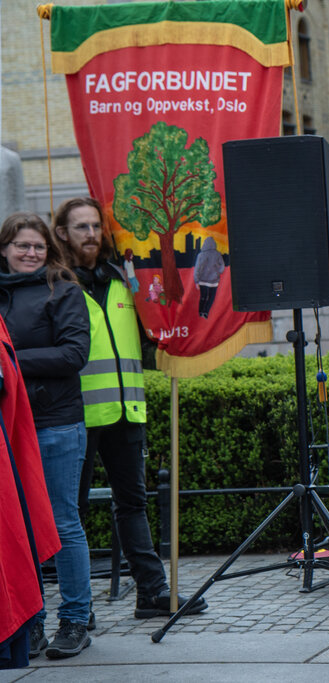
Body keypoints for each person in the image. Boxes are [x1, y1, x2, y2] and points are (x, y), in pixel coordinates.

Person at [52, 197, 207, 620]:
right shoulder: (56, 284)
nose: (90, 234)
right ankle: (79, 604)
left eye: (95, 226)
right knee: (73, 511)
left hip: (126, 410)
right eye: (80, 227)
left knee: (133, 504)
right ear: (61, 233)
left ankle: (152, 592)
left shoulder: (122, 279)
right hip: (76, 415)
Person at [0, 212, 92, 658]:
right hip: (9, 428)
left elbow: (74, 354)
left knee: (62, 524)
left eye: (37, 246)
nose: (30, 253)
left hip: (56, 424)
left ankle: (75, 621)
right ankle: (30, 622)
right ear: (4, 249)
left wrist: (10, 358)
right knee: (21, 530)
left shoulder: (65, 290)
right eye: (21, 246)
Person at [193, 236, 224, 319]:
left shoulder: (201, 255)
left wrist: (196, 281)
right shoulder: (217, 254)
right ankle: (206, 312)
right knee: (211, 298)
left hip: (203, 280)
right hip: (214, 281)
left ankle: (200, 311)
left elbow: (197, 269)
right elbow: (222, 267)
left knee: (203, 296)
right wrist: (218, 272)